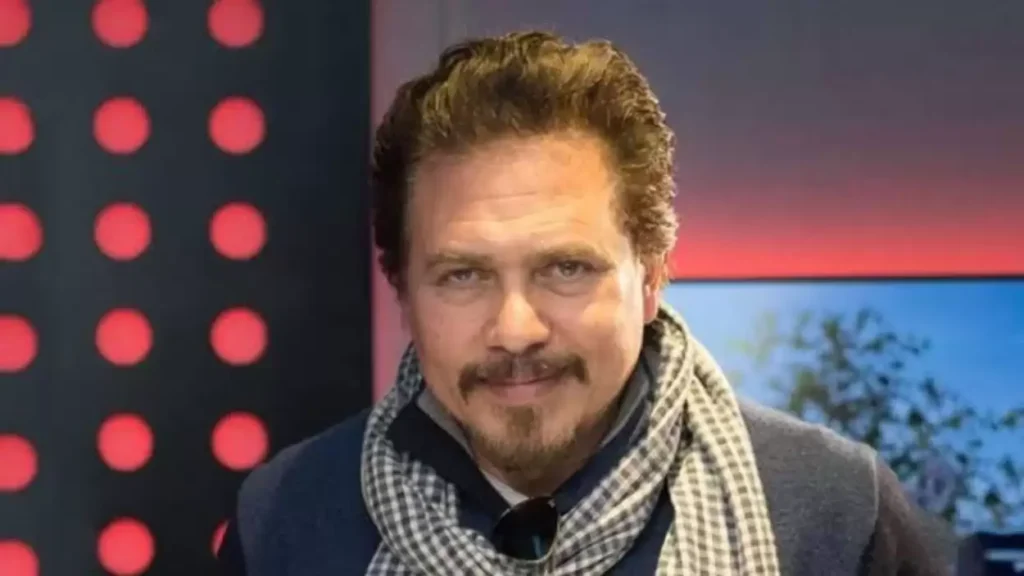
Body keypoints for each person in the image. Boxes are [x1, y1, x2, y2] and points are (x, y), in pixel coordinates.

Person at [217, 31, 948, 575]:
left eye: (565, 268)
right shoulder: (288, 519)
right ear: (403, 291)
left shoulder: (834, 512)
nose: (515, 329)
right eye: (463, 276)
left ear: (652, 278)